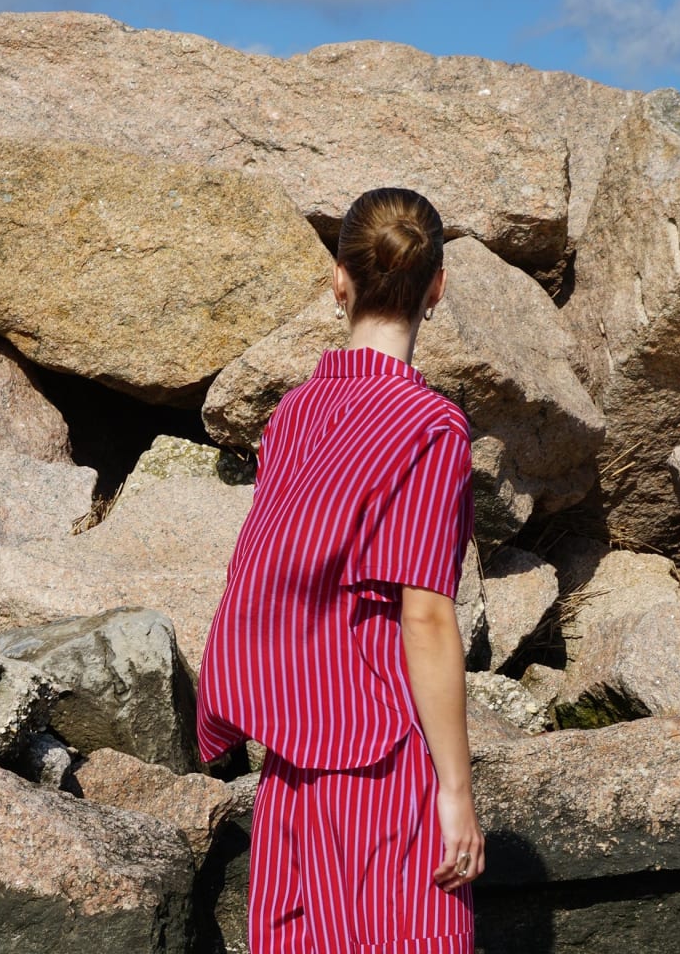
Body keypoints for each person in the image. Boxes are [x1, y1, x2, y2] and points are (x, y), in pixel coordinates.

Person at [197, 187, 485, 953]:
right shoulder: (432, 428)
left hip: (292, 764)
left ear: (339, 280)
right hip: (382, 761)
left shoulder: (293, 415)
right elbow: (426, 617)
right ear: (436, 287)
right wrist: (456, 791)